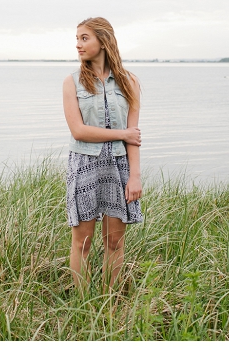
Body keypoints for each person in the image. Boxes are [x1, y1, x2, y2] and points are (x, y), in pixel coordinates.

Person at [62, 17, 143, 292]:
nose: (78, 45)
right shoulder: (72, 82)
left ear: (103, 41)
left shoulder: (130, 81)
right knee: (82, 242)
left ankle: (109, 304)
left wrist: (135, 176)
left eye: (84, 38)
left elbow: (135, 138)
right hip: (85, 164)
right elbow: (78, 131)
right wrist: (122, 134)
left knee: (114, 242)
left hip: (119, 168)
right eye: (77, 39)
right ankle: (83, 304)